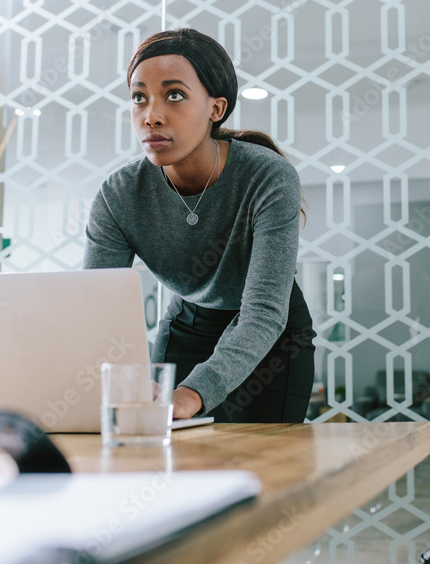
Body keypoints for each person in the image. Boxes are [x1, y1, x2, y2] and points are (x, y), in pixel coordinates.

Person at [82, 28, 315, 423]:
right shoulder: (119, 194)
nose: (151, 115)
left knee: (270, 468)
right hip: (188, 325)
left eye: (174, 95)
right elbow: (94, 310)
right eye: (139, 97)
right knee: (169, 462)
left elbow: (262, 312)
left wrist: (193, 394)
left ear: (216, 108)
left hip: (272, 334)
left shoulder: (268, 176)